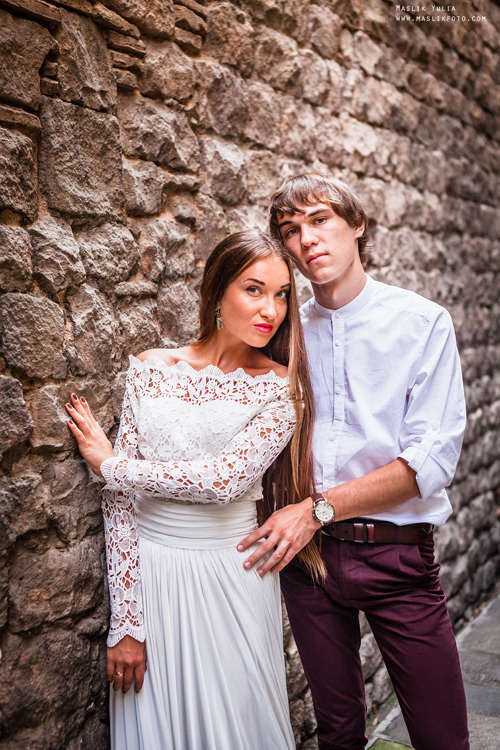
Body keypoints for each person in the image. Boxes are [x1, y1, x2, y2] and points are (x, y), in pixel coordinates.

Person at [237, 174, 470, 750]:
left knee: (442, 738)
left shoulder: (422, 322)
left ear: (357, 225)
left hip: (396, 558)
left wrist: (315, 509)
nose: (306, 239)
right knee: (337, 733)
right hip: (308, 564)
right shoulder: (284, 334)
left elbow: (428, 462)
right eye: (290, 230)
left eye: (320, 219)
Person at [64, 230, 318, 750]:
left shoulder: (282, 388)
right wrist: (126, 623)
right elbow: (119, 504)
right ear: (217, 293)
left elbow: (225, 481)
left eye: (281, 294)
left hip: (231, 577)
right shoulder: (151, 368)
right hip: (151, 577)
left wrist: (110, 464)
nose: (271, 309)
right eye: (254, 289)